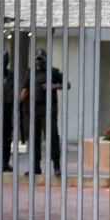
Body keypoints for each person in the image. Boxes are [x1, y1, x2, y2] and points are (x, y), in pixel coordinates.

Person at [20, 48, 71, 176]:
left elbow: (67, 84)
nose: (39, 62)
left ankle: (56, 166)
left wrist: (54, 86)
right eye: (37, 59)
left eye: (41, 59)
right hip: (32, 110)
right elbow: (25, 90)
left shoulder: (52, 72)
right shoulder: (30, 72)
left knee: (53, 136)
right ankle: (35, 167)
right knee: (34, 139)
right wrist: (20, 104)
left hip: (48, 110)